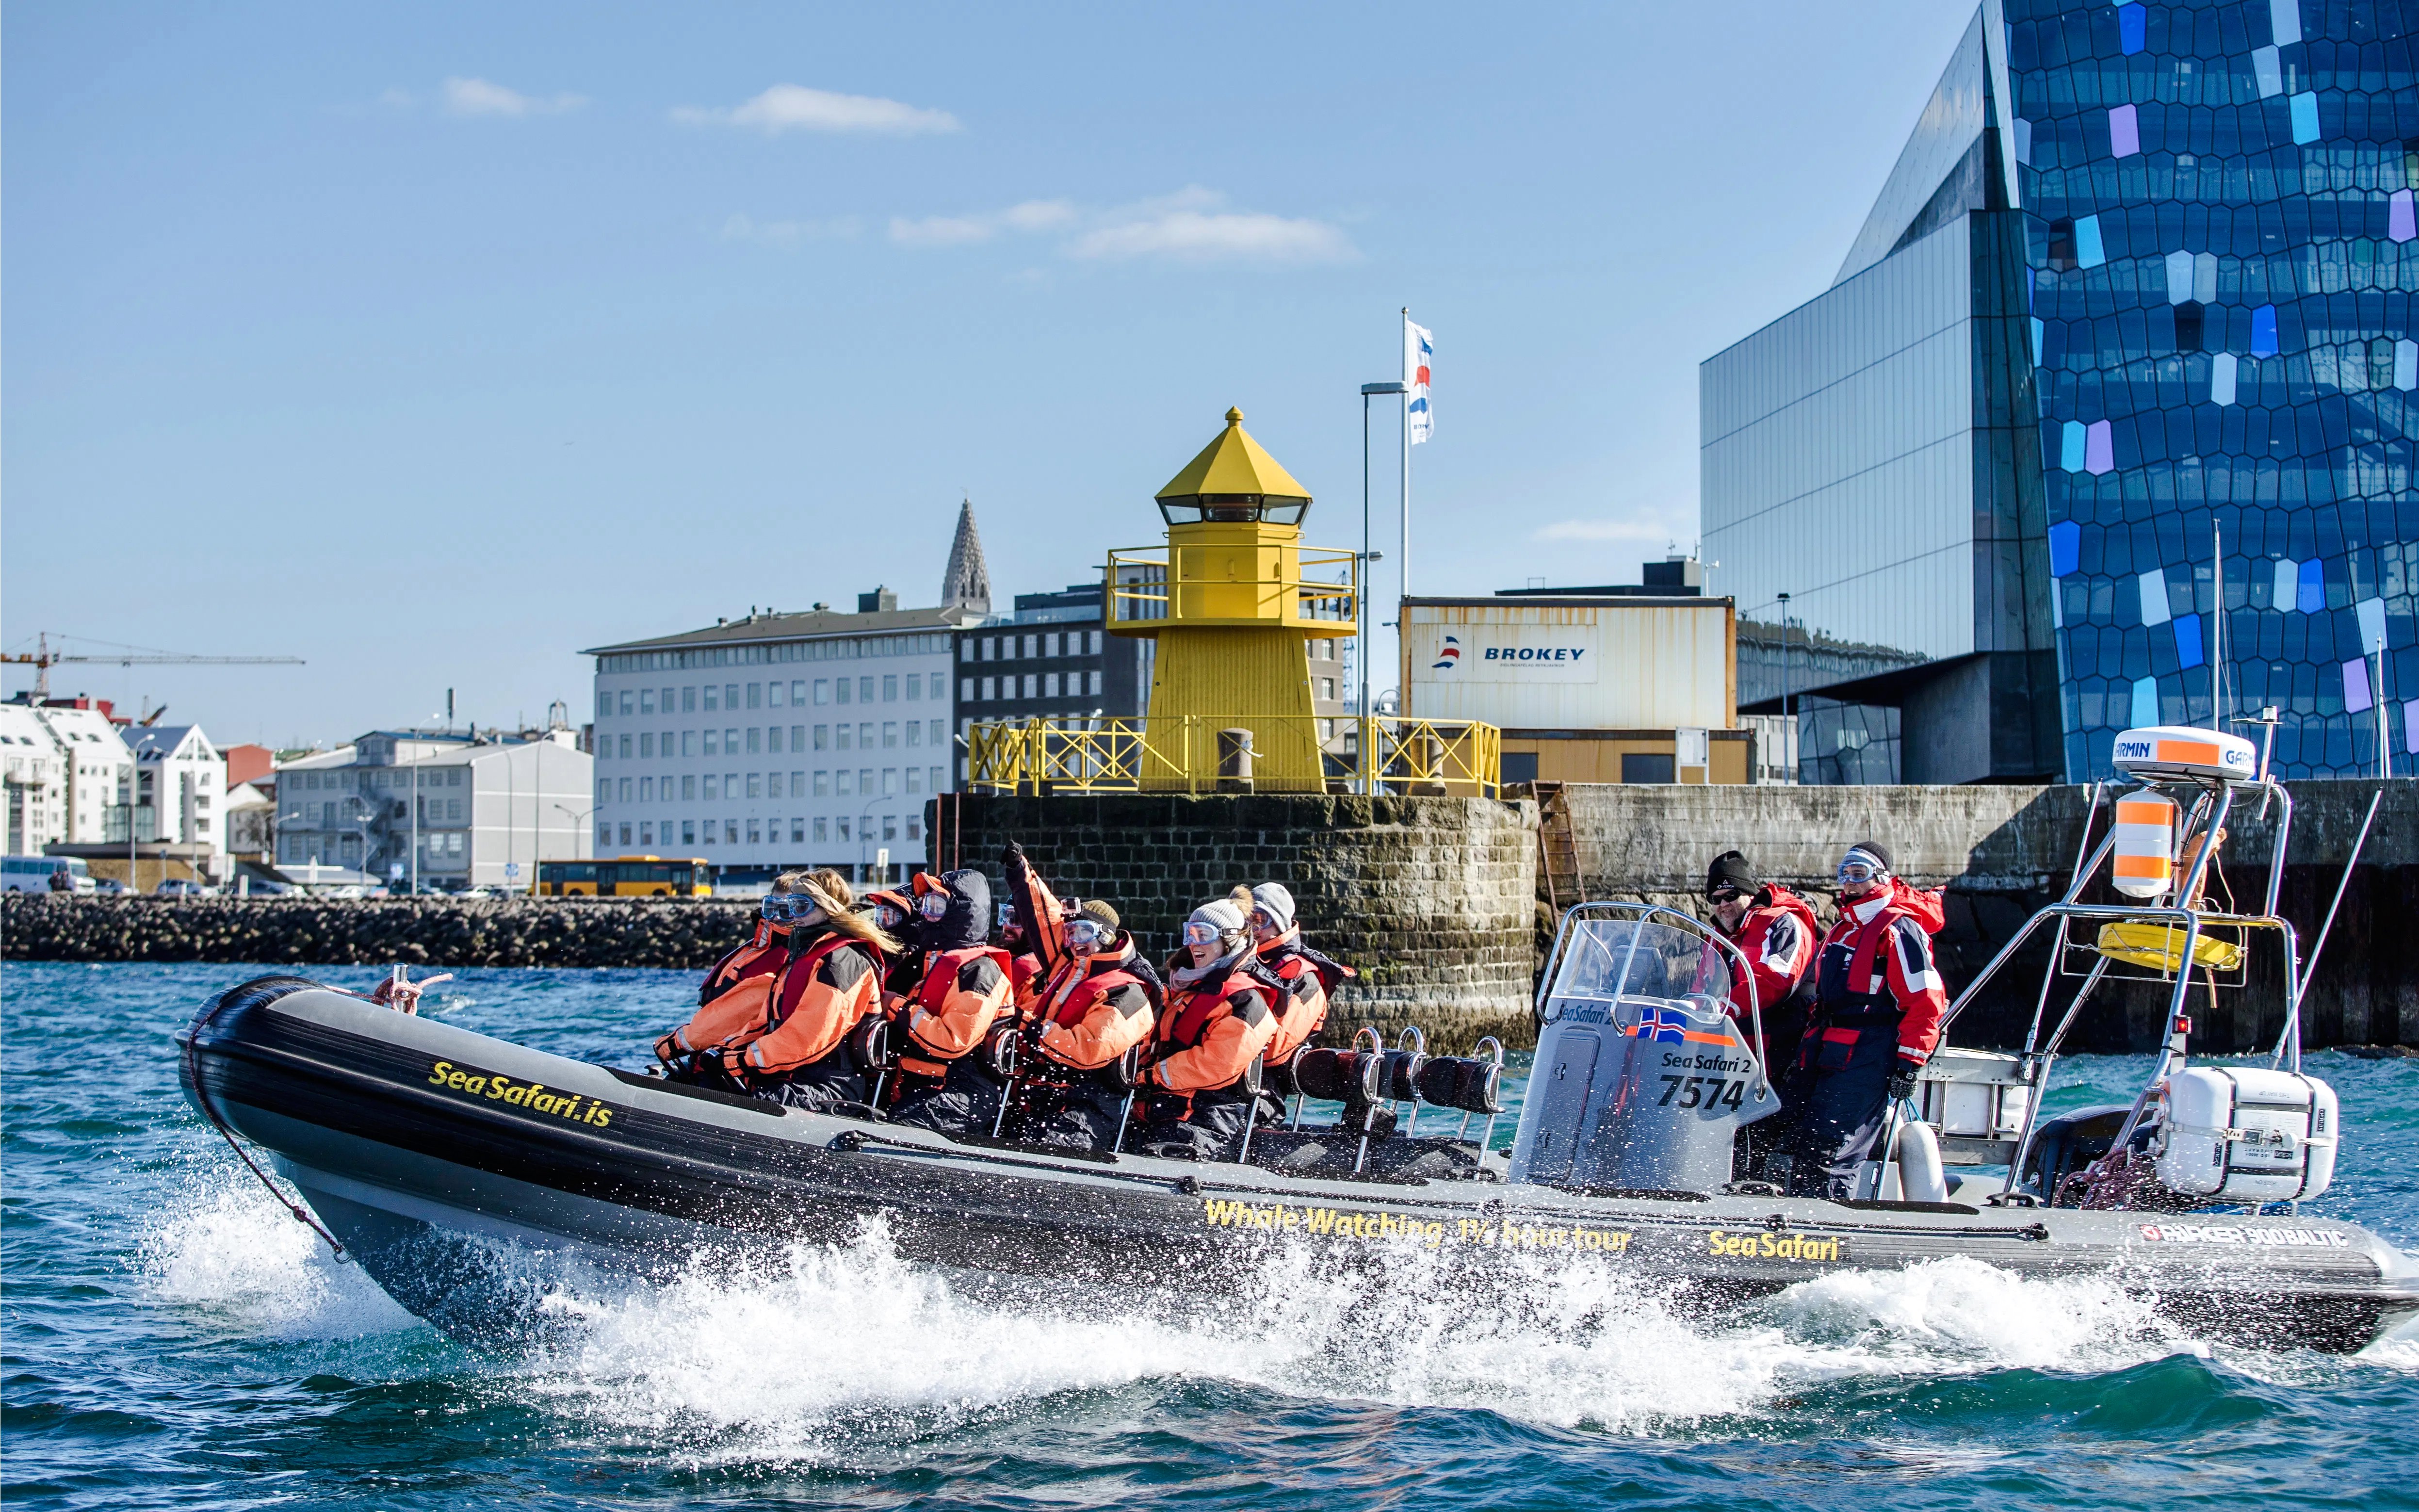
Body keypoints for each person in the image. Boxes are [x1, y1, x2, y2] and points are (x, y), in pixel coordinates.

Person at [1780, 842, 1948, 1199]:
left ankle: (1825, 1235)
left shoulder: (1898, 928)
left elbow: (1926, 1000)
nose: (1850, 882)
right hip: (1828, 1050)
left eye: (1860, 874)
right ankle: (1790, 1224)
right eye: (1845, 874)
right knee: (1799, 1140)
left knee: (1831, 1150)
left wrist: (1909, 1064)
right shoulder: (1844, 927)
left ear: (1881, 878)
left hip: (1869, 1055)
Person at [689, 868, 903, 1109]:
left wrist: (742, 1060)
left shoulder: (842, 963)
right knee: (704, 1079)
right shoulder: (807, 957)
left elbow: (809, 1036)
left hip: (828, 1085)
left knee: (741, 1098)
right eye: (792, 906)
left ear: (827, 908)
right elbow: (766, 1022)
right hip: (794, 1072)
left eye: (802, 907)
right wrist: (726, 1052)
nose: (794, 916)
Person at [998, 842, 1159, 1150]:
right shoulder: (1069, 967)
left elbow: (1089, 1049)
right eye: (1070, 934)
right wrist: (1020, 873)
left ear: (1106, 936)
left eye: (1083, 932)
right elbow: (1043, 918)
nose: (1074, 942)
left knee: (1049, 1146)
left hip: (1090, 1107)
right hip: (1043, 1092)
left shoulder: (1130, 993)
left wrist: (1032, 1027)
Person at [1135, 897, 1281, 1159]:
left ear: (1230, 940)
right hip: (1164, 1107)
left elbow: (1217, 1064)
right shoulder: (1188, 991)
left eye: (1204, 935)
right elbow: (1158, 1040)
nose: (1194, 944)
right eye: (1190, 934)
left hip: (1209, 1118)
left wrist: (1151, 1075)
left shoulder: (1245, 1001)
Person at [887, 869, 1018, 1133]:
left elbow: (952, 1041)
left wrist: (896, 1006)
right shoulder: (928, 962)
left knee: (896, 1130)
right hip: (920, 1082)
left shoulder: (980, 972)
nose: (926, 913)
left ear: (961, 911)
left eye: (936, 905)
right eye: (926, 905)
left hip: (964, 1093)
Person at [654, 874, 807, 1068]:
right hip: (713, 1054)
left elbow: (740, 1012)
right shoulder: (759, 947)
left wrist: (671, 1045)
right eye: (771, 908)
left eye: (785, 911)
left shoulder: (791, 959)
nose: (776, 917)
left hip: (736, 1061)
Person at [1695, 850, 1820, 1069]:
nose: (1724, 904)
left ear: (1749, 894)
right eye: (1716, 899)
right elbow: (1701, 985)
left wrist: (1726, 1006)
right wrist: (1688, 1009)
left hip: (1782, 1042)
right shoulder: (1716, 937)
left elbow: (1776, 979)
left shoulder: (1783, 924)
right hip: (1730, 1044)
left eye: (1731, 895)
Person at [1244, 882, 1353, 1073]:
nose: (1255, 928)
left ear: (1280, 924)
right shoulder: (1240, 964)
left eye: (1261, 920)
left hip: (1261, 1090)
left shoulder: (1306, 980)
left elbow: (1273, 1051)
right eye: (1248, 920)